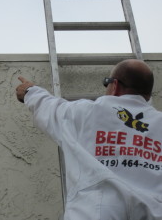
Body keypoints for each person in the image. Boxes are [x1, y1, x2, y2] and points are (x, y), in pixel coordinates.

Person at [16, 59, 162, 220]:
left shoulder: (84, 112)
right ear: (147, 94)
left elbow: (48, 107)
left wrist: (30, 91)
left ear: (114, 86)